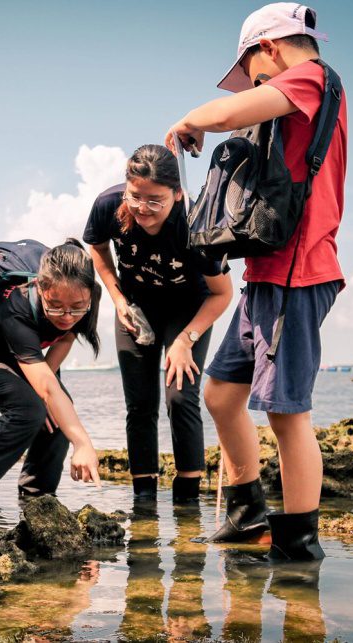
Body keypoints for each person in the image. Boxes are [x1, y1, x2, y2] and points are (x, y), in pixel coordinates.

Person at [165, 2, 347, 561]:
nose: (253, 87)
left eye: (253, 74)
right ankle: (246, 515)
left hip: (298, 273)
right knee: (220, 395)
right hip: (265, 278)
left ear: (268, 47)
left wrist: (189, 120)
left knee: (288, 415)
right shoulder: (293, 93)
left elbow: (226, 114)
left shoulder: (312, 78)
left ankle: (299, 542)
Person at [84, 145, 232, 504]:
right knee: (140, 403)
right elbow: (97, 249)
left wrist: (186, 339)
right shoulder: (109, 206)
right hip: (136, 306)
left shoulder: (198, 224)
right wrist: (118, 299)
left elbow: (222, 295)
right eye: (136, 197)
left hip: (189, 308)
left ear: (177, 194)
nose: (143, 209)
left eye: (156, 201)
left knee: (180, 397)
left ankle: (187, 502)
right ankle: (144, 503)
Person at [0, 240, 103, 502]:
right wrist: (82, 443)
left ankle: (37, 497)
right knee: (30, 409)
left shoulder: (88, 297)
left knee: (58, 415)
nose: (67, 316)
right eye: (55, 305)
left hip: (23, 353)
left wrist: (49, 397)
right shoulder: (13, 303)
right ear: (40, 287)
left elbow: (65, 338)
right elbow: (45, 386)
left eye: (76, 307)